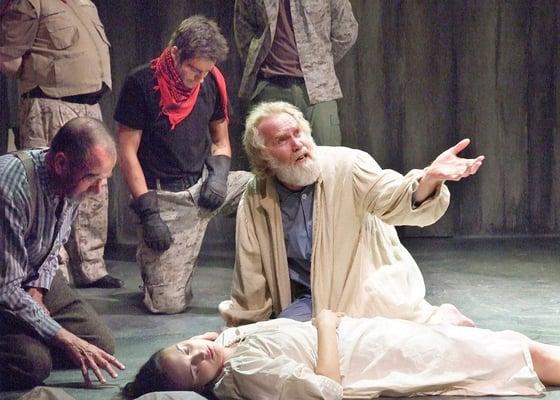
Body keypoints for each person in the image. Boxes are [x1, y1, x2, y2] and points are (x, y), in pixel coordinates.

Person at [219, 101, 485, 327]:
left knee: (388, 352)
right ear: (264, 158)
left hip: (364, 289)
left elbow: (393, 197)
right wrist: (246, 332)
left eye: (298, 133)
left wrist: (428, 179)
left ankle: (436, 322)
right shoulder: (257, 197)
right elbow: (250, 274)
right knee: (288, 342)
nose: (297, 144)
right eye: (282, 140)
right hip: (310, 303)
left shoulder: (347, 165)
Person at [115, 16, 252, 315]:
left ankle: (278, 279)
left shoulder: (212, 80)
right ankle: (152, 264)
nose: (200, 78)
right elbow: (127, 153)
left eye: (206, 71)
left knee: (270, 189)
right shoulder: (141, 84)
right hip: (166, 199)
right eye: (194, 69)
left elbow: (221, 140)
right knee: (167, 306)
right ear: (176, 53)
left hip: (204, 186)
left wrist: (219, 176)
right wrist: (149, 213)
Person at [123, 309, 560, 399]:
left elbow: (211, 338)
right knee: (515, 352)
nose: (200, 354)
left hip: (372, 338)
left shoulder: (225, 345)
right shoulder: (244, 372)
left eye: (187, 347)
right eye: (195, 369)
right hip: (370, 356)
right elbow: (327, 391)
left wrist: (214, 339)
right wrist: (327, 327)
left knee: (504, 345)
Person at [0, 0, 122, 288]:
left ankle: (91, 267)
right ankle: (55, 274)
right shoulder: (32, 3)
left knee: (94, 190)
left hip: (89, 105)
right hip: (51, 104)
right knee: (55, 187)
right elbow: (8, 57)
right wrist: (38, 75)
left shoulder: (85, 4)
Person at [0, 117, 125, 390]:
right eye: (93, 178)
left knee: (100, 344)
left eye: (104, 179)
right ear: (60, 163)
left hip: (28, 273)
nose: (99, 189)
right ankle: (27, 338)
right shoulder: (10, 190)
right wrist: (66, 338)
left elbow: (53, 245)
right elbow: (6, 290)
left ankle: (28, 330)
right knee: (34, 363)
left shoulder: (71, 183)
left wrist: (39, 287)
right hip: (5, 284)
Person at [234, 0, 358, 146]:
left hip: (317, 91)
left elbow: (346, 31)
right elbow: (243, 28)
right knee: (269, 162)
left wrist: (319, 65)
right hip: (270, 86)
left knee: (325, 157)